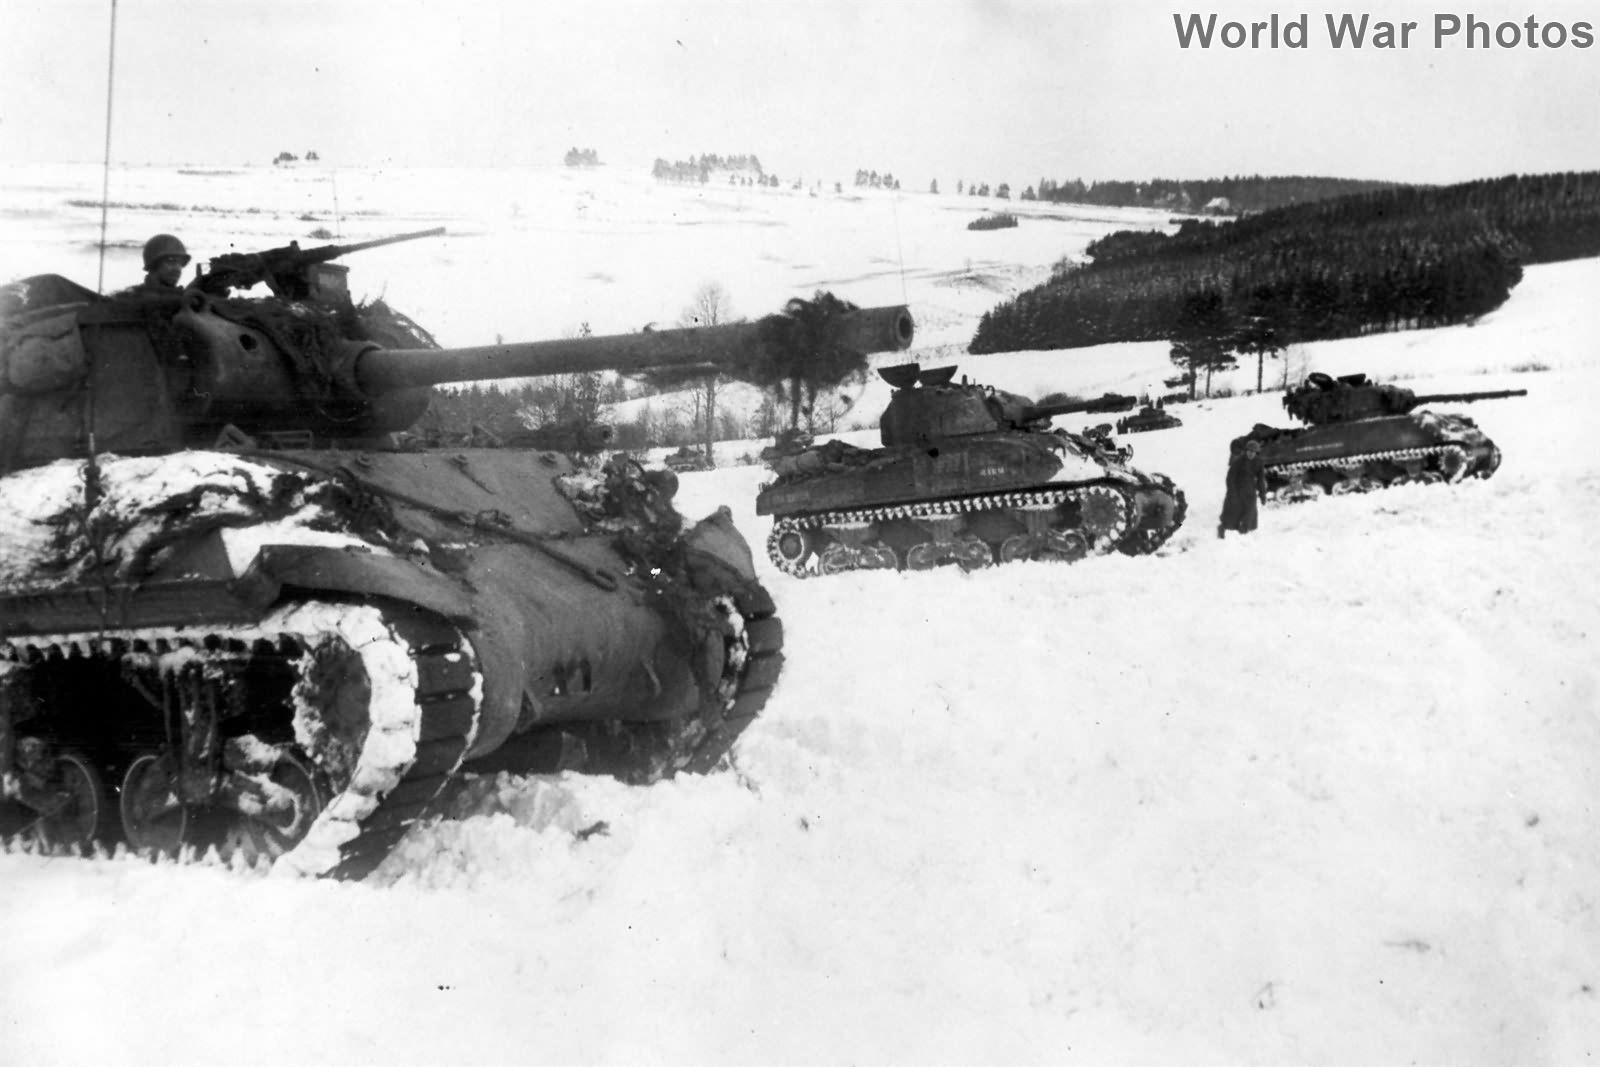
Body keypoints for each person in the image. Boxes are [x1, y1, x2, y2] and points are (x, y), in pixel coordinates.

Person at [1218, 438, 1267, 538]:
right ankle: (1222, 528)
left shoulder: (1259, 462)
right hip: (1237, 489)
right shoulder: (1238, 461)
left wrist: (1262, 494)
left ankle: (1244, 532)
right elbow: (1230, 478)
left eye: (1253, 452)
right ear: (1246, 451)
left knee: (1250, 512)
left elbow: (1261, 479)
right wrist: (1232, 493)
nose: (1251, 454)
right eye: (1249, 451)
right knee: (1232, 513)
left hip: (1250, 490)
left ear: (1256, 453)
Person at [126, 234, 191, 295]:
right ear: (154, 264)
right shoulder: (133, 298)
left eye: (181, 263)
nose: (178, 268)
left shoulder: (181, 296)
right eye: (171, 261)